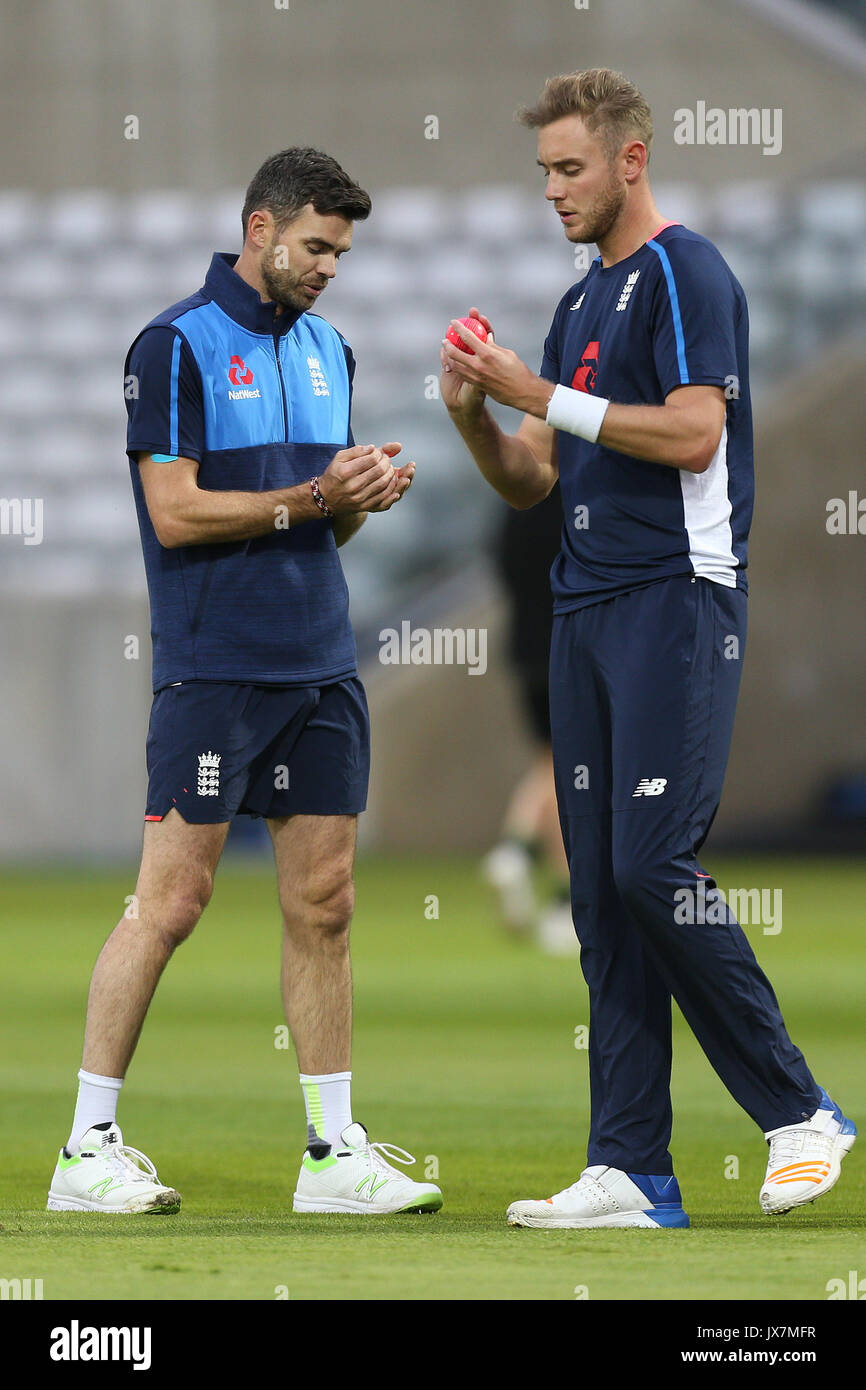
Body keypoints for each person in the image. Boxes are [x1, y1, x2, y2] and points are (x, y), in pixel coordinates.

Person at [441, 69, 854, 1229]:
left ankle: (797, 1109)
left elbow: (692, 431)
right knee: (602, 900)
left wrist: (537, 396)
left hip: (675, 597)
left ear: (630, 160)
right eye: (542, 174)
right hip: (583, 608)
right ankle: (629, 1166)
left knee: (646, 868)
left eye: (568, 169)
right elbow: (532, 474)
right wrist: (478, 412)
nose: (553, 192)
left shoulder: (686, 272)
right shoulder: (577, 308)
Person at [47, 147, 442, 1218]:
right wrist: (314, 496)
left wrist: (360, 493)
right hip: (215, 667)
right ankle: (85, 1147)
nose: (328, 268)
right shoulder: (173, 346)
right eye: (316, 246)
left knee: (326, 904)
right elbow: (174, 513)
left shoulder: (330, 349)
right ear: (260, 228)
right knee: (170, 900)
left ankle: (331, 1154)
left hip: (321, 663)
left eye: (341, 253)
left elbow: (326, 518)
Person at [482, 484, 577, 955]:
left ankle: (522, 856)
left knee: (552, 762)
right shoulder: (578, 507)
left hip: (525, 651)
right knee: (569, 769)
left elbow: (500, 565)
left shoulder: (517, 506)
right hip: (569, 648)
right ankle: (552, 884)